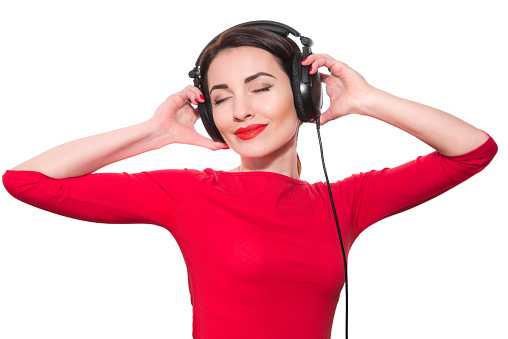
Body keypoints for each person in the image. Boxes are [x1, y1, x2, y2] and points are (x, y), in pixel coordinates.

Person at [2, 25, 497, 339]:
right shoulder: (190, 194)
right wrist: (154, 133)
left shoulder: (346, 202)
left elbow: (473, 151)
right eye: (221, 98)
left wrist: (369, 100)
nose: (240, 110)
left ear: (303, 96)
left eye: (260, 88)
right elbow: (27, 181)